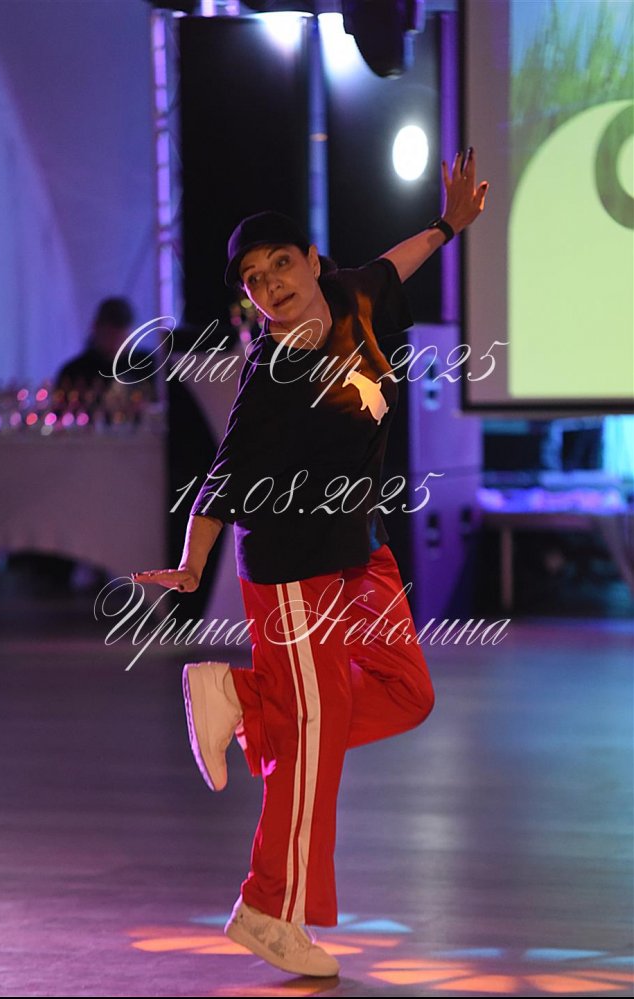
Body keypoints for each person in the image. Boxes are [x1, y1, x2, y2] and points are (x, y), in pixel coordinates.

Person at [133, 149, 489, 978]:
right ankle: (269, 909)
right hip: (291, 566)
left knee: (406, 691)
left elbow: (394, 263)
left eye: (280, 265)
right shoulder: (271, 374)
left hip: (359, 550)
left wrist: (448, 225)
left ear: (313, 262)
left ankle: (245, 698)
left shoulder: (354, 293)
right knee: (315, 731)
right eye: (254, 281)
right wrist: (190, 568)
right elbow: (222, 477)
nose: (271, 285)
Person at [55, 296, 157, 402]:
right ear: (96, 328)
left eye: (122, 336)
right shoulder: (74, 373)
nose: (116, 341)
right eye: (110, 334)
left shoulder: (148, 365)